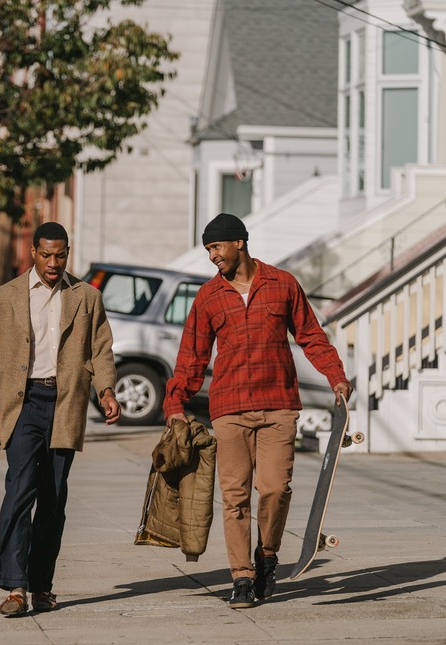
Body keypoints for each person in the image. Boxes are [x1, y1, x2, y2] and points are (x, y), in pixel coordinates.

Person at [163, 212, 351, 610]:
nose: (212, 256)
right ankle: (241, 578)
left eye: (216, 247)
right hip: (229, 408)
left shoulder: (282, 284)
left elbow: (311, 336)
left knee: (274, 489)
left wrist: (335, 375)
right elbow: (192, 357)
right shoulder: (208, 297)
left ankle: (268, 553)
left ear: (238, 243)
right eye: (208, 249)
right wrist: (176, 403)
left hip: (279, 404)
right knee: (234, 497)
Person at [0, 221, 121, 616]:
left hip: (65, 403)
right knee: (20, 490)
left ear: (67, 254)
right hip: (21, 404)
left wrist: (106, 390)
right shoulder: (3, 297)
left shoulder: (86, 297)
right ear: (33, 253)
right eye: (46, 255)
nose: (53, 262)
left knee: (54, 499)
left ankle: (42, 586)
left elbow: (101, 348)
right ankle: (15, 586)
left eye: (60, 255)